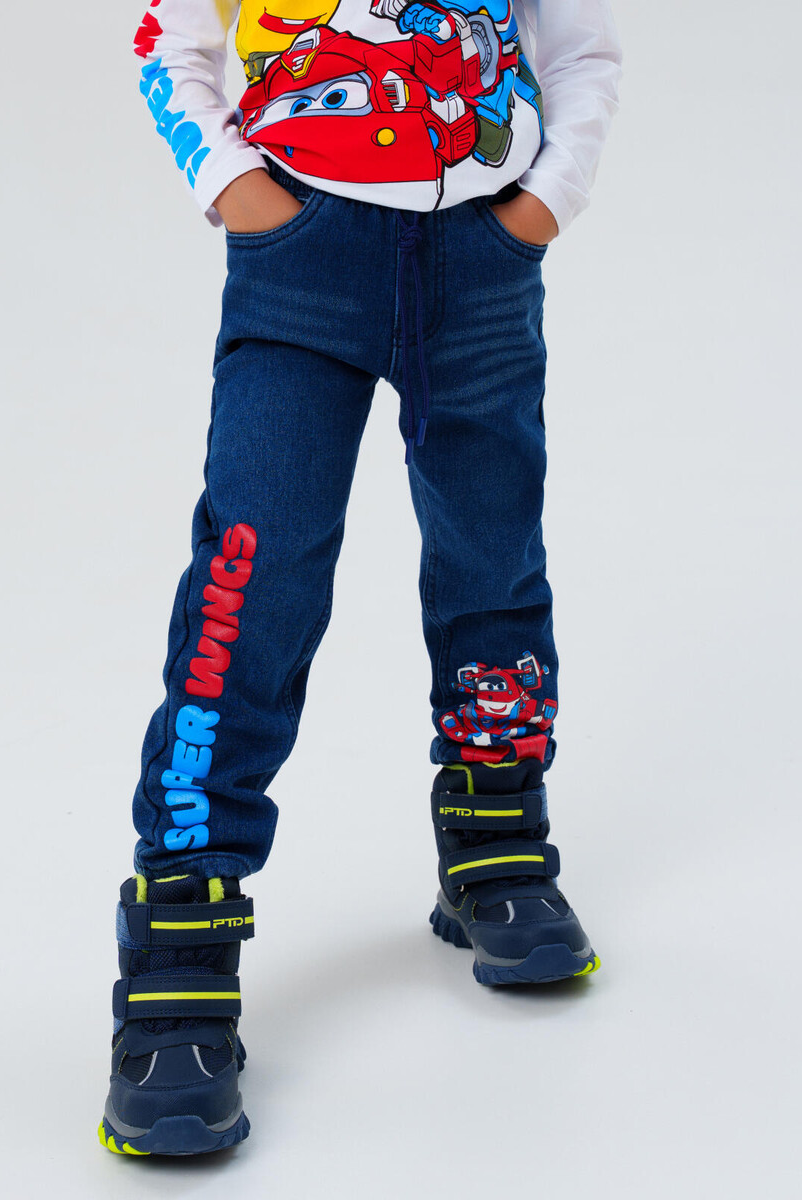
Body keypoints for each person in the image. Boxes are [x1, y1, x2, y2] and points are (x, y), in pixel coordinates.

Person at [100, 0, 623, 1157]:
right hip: (302, 261)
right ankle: (182, 919)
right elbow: (165, 41)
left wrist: (543, 204)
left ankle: (495, 824)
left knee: (493, 555)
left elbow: (583, 47)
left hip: (482, 261)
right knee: (253, 581)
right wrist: (237, 188)